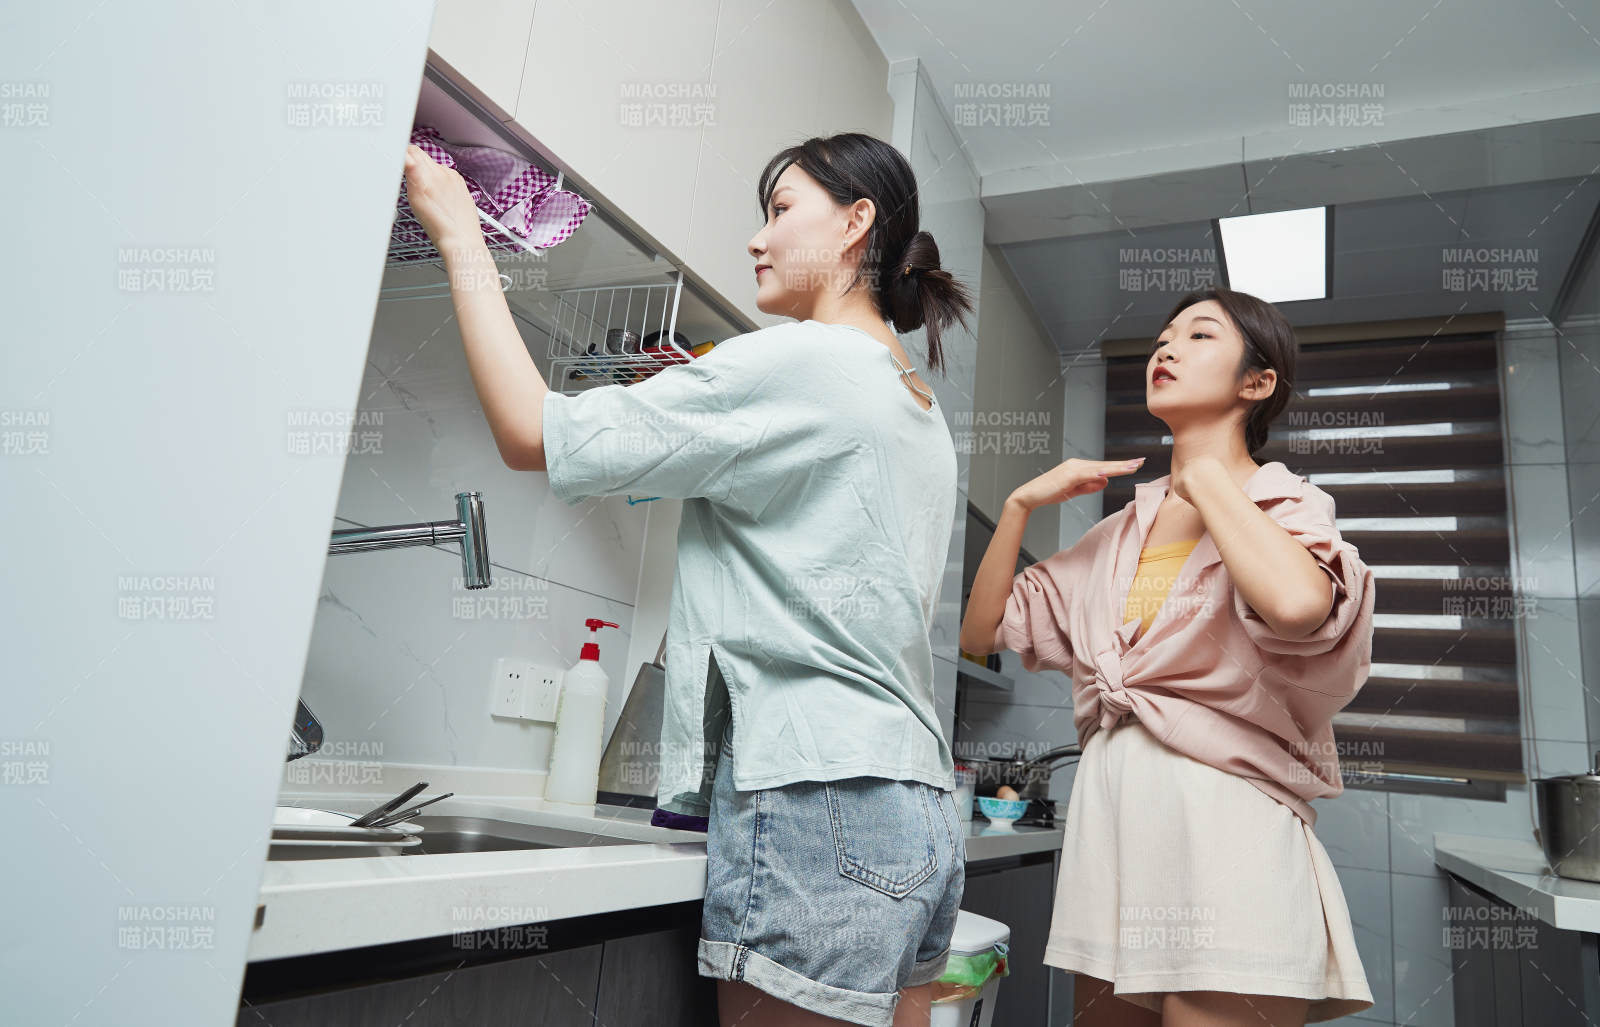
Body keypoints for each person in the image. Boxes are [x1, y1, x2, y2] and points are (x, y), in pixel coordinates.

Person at [403, 131, 975, 1027]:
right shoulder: (910, 394)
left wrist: (457, 231)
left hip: (814, 797)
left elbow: (528, 429)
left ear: (858, 222)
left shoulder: (801, 361)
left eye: (782, 210)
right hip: (915, 806)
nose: (757, 237)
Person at [960, 287, 1377, 1027]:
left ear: (1257, 383)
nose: (1167, 349)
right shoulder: (1121, 531)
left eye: (1199, 335)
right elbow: (980, 632)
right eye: (1160, 339)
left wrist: (1205, 474)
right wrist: (1022, 503)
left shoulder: (1284, 504)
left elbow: (1299, 605)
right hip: (1114, 838)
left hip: (1226, 839)